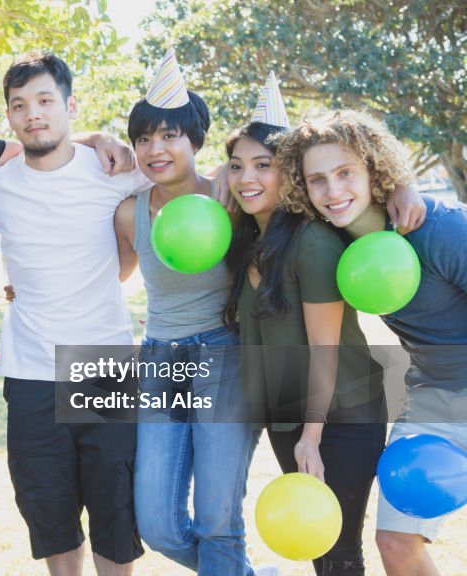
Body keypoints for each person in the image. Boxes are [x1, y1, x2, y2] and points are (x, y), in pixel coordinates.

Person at [0, 51, 146, 576]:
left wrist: (102, 139)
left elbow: (190, 182)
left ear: (70, 105)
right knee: (49, 513)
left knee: (115, 512)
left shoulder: (114, 169)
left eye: (45, 100)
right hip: (29, 372)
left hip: (103, 363)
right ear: (9, 117)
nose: (33, 114)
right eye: (19, 105)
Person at [276, 108, 467, 576]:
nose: (333, 190)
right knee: (395, 543)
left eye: (345, 173)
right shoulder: (332, 243)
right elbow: (239, 180)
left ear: (374, 170)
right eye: (317, 179)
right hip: (431, 402)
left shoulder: (437, 227)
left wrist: (405, 184)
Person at [222, 78, 389, 574]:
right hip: (289, 417)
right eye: (237, 167)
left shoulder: (312, 241)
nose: (246, 178)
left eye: (263, 166)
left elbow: (325, 350)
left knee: (339, 554)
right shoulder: (250, 240)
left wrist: (311, 438)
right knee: (318, 550)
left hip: (341, 415)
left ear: (289, 174)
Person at [113, 48, 262, 575]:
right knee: (157, 524)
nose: (156, 148)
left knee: (219, 520)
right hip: (159, 358)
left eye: (170, 135)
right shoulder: (129, 212)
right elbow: (115, 274)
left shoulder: (231, 199)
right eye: (144, 138)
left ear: (195, 140)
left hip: (225, 355)